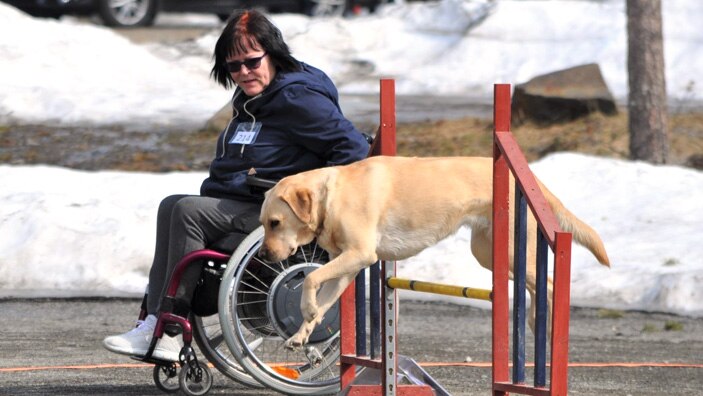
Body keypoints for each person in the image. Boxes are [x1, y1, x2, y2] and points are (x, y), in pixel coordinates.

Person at [102, 9, 370, 362]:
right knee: (172, 204)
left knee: (187, 212)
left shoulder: (297, 99)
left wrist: (313, 207)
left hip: (275, 216)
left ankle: (169, 330)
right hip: (242, 202)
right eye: (233, 66)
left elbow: (354, 150)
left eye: (252, 61)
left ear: (272, 54)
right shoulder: (254, 100)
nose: (243, 72)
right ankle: (153, 321)